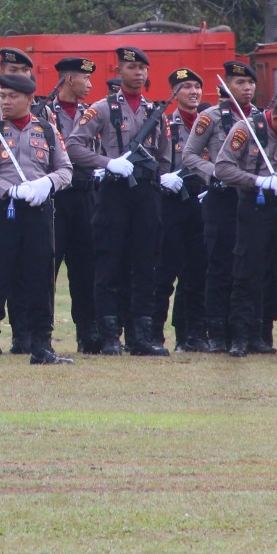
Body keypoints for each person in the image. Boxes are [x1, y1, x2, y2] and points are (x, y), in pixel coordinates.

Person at [0, 72, 74, 364]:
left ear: (29, 99)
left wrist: (47, 184)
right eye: (3, 96)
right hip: (4, 210)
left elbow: (65, 169)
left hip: (38, 210)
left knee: (40, 277)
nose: (6, 102)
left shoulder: (47, 130)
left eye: (13, 96)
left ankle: (41, 346)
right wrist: (6, 189)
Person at [70, 46, 171, 356]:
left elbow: (164, 155)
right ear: (119, 70)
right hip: (114, 191)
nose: (138, 73)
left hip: (145, 193)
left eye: (142, 68)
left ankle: (141, 335)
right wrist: (106, 163)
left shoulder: (155, 111)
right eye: (131, 67)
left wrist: (156, 180)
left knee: (144, 263)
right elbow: (73, 145)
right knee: (109, 263)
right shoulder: (101, 108)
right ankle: (110, 335)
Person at [215, 91, 277, 357]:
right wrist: (257, 180)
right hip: (255, 207)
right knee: (247, 273)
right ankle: (241, 338)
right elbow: (222, 168)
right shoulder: (246, 129)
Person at [182, 60, 259, 354]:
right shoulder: (211, 117)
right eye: (240, 83)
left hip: (251, 197)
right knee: (219, 265)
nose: (247, 88)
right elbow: (189, 155)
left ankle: (248, 332)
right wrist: (213, 171)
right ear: (226, 86)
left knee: (250, 265)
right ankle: (216, 332)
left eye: (251, 83)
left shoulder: (261, 118)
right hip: (222, 197)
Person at [46, 56, 102, 352]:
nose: (90, 84)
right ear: (69, 79)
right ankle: (41, 331)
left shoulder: (91, 113)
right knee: (48, 264)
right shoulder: (44, 111)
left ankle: (87, 331)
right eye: (85, 78)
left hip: (84, 194)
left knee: (86, 265)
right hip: (56, 195)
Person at [155, 68, 208, 351]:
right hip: (171, 202)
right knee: (164, 270)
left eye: (197, 87)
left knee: (197, 271)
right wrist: (162, 177)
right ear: (174, 92)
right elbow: (151, 158)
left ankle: (192, 334)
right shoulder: (164, 123)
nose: (193, 92)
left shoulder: (209, 123)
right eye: (186, 87)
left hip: (201, 200)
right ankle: (154, 333)